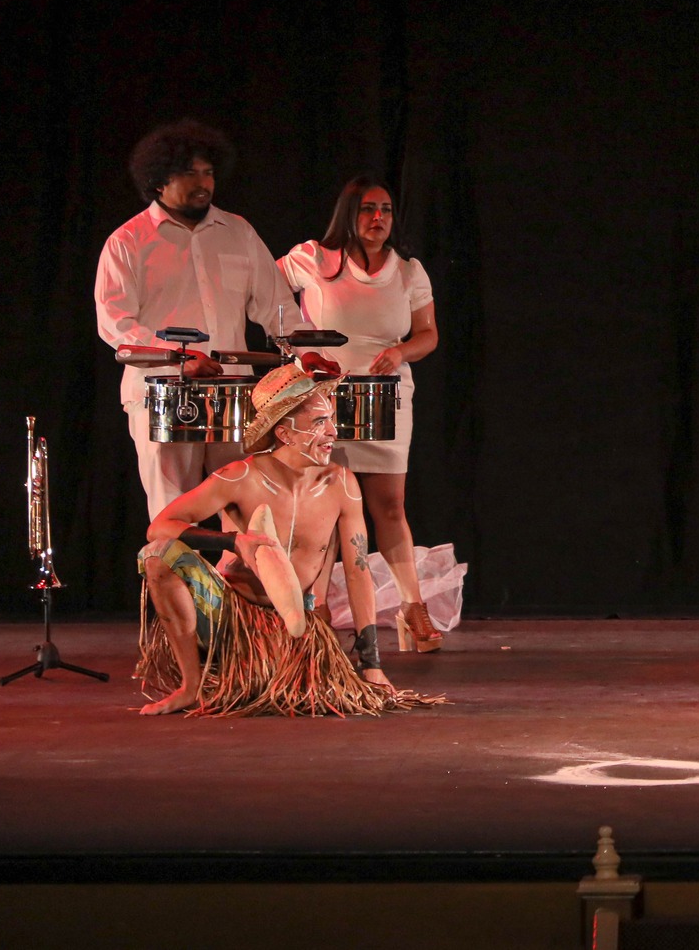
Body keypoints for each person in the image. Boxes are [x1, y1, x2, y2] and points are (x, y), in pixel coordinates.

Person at [135, 361, 443, 717]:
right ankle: (191, 686)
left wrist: (371, 664)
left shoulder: (341, 484)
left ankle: (274, 671)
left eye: (331, 420)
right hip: (231, 618)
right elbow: (159, 526)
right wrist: (234, 542)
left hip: (297, 626)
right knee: (157, 554)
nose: (333, 432)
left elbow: (358, 572)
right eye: (319, 422)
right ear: (284, 433)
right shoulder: (240, 477)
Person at [95, 120, 292, 519]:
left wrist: (306, 351)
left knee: (248, 514)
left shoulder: (238, 232)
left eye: (209, 172)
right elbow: (116, 324)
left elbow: (278, 307)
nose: (203, 183)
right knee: (173, 517)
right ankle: (174, 565)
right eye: (189, 173)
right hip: (162, 394)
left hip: (233, 394)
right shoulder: (128, 242)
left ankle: (241, 566)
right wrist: (178, 358)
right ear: (158, 181)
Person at [281, 177, 444, 652]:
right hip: (323, 397)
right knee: (325, 507)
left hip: (385, 396)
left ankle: (412, 608)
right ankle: (316, 610)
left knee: (389, 505)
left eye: (386, 210)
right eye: (368, 209)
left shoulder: (408, 271)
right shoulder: (313, 258)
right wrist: (297, 346)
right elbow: (263, 293)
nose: (378, 218)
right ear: (348, 213)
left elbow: (428, 334)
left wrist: (401, 352)